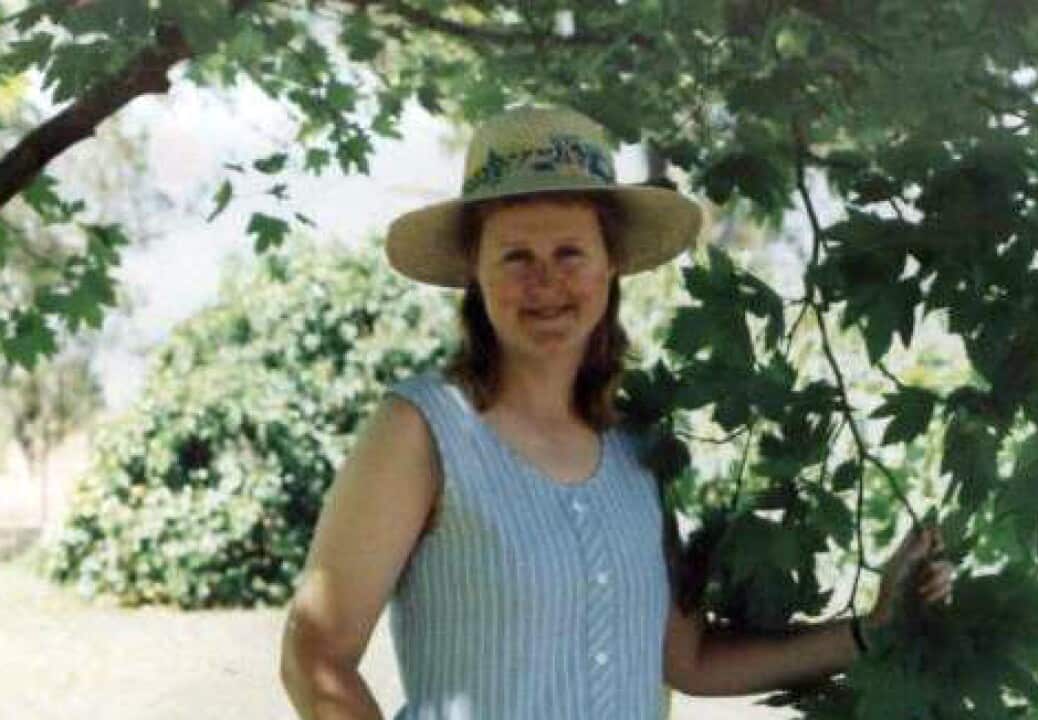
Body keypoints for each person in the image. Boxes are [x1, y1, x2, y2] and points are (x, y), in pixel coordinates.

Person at [278, 104, 954, 720]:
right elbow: (315, 656)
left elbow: (683, 662)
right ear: (475, 277)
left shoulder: (638, 445)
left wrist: (873, 628)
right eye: (515, 256)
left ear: (611, 268)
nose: (545, 281)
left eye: (570, 252)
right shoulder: (423, 429)